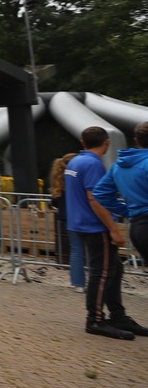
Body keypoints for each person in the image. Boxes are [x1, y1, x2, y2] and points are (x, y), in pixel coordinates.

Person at [65, 126, 145, 340]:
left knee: (114, 270)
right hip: (96, 226)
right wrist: (113, 228)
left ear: (82, 142)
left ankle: (118, 315)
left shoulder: (75, 162)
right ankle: (95, 320)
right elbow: (95, 198)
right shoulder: (93, 164)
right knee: (102, 274)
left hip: (80, 223)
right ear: (107, 143)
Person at [91, 120, 148, 300]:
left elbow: (100, 193)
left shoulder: (119, 165)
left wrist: (128, 211)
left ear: (136, 140)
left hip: (138, 227)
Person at [48, 153, 84, 291]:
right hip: (81, 217)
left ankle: (78, 283)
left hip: (66, 219)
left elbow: (54, 201)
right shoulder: (77, 180)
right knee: (87, 250)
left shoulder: (59, 182)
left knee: (76, 250)